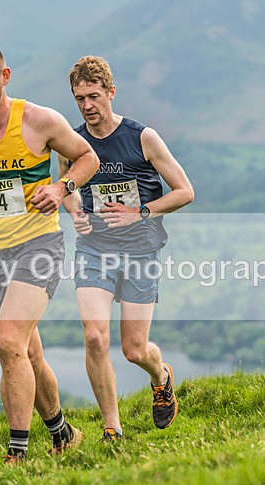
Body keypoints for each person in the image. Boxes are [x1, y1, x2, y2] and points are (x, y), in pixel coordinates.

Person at [0, 42, 100, 462]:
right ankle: (63, 433)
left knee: (9, 342)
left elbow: (87, 157)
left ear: (4, 77)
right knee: (26, 351)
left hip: (39, 244)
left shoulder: (39, 120)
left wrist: (62, 187)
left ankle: (17, 454)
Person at [58, 56, 194, 441]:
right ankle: (112, 428)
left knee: (134, 350)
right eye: (79, 98)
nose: (87, 105)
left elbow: (186, 191)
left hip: (140, 252)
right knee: (94, 337)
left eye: (94, 96)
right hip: (94, 250)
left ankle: (161, 375)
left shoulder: (143, 137)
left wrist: (141, 212)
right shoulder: (71, 142)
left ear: (111, 93)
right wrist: (75, 213)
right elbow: (65, 188)